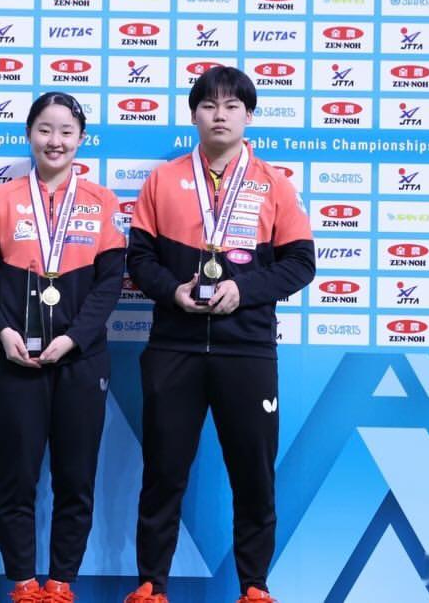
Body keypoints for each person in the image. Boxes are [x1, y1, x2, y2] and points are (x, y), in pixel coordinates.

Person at [123, 66, 315, 603]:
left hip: (247, 350)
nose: (220, 115)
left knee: (253, 476)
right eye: (209, 105)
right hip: (174, 347)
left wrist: (242, 290)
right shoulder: (162, 181)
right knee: (163, 474)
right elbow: (138, 259)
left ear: (248, 116)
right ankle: (150, 587)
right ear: (194, 115)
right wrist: (173, 292)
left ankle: (254, 587)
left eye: (232, 106)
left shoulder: (274, 183)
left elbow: (301, 263)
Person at [0, 92, 126, 603]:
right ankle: (24, 585)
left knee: (76, 479)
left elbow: (110, 283)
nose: (55, 141)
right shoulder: (1, 201)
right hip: (16, 361)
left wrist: (74, 338)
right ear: (29, 134)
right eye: (45, 129)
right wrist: (2, 331)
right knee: (16, 478)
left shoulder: (102, 202)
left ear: (81, 139)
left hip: (82, 361)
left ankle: (59, 585)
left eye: (66, 132)